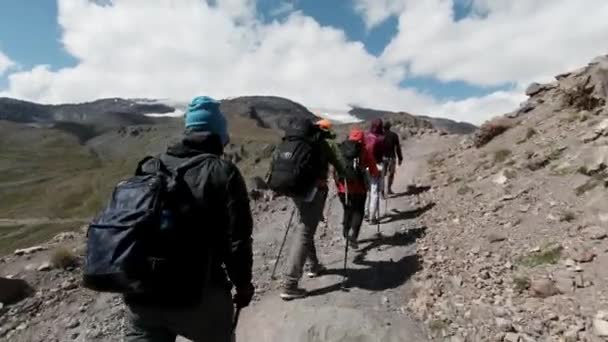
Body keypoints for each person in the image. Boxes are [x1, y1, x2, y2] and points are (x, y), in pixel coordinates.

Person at [123, 96, 254, 342]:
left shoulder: (151, 166)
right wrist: (243, 284)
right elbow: (237, 240)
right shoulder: (223, 172)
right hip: (197, 294)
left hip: (142, 293)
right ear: (218, 133)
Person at [278, 117, 347, 301]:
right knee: (305, 230)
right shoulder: (325, 143)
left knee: (304, 225)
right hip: (314, 191)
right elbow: (341, 165)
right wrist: (347, 176)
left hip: (296, 188)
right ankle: (290, 284)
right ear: (327, 130)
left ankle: (313, 265)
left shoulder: (299, 140)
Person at [334, 128, 380, 250]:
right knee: (358, 211)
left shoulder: (341, 149)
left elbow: (334, 168)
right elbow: (374, 170)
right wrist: (375, 175)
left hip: (343, 188)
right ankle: (353, 235)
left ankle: (345, 233)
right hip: (359, 189)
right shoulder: (364, 150)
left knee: (347, 210)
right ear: (362, 139)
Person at [365, 118, 386, 225]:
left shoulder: (367, 136)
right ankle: (372, 217)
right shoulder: (381, 139)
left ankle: (366, 212)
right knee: (375, 191)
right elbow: (383, 153)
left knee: (368, 190)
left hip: (366, 166)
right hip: (377, 166)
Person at [382, 121, 403, 195]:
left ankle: (382, 192)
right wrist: (400, 158)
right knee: (391, 174)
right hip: (392, 158)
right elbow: (398, 148)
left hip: (382, 158)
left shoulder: (380, 135)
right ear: (390, 127)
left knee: (382, 175)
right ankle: (388, 189)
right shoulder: (394, 135)